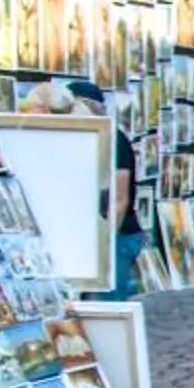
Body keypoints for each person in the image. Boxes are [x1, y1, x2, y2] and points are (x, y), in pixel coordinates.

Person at [62, 81, 144, 301]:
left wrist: (106, 242)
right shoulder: (88, 138)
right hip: (99, 236)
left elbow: (120, 198)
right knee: (92, 306)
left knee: (106, 306)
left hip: (117, 235)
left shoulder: (113, 138)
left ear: (85, 105)